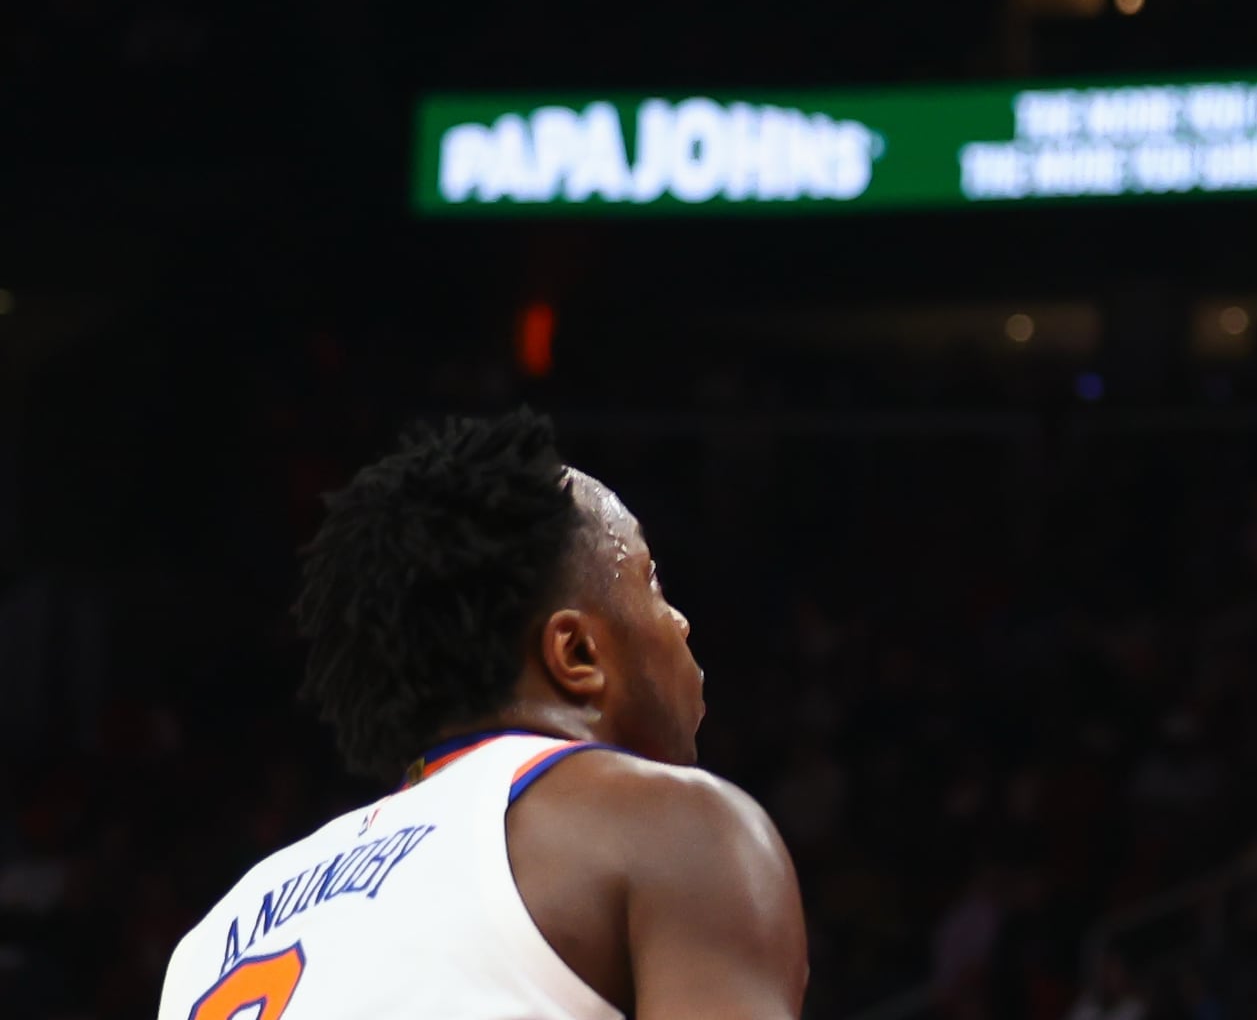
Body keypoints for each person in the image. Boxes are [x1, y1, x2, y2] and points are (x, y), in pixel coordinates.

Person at [156, 410, 806, 1020]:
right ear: (575, 652)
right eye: (651, 580)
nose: (679, 620)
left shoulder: (214, 938)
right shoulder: (675, 828)